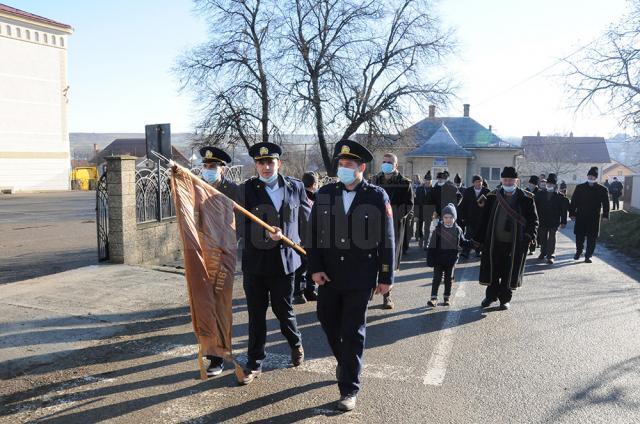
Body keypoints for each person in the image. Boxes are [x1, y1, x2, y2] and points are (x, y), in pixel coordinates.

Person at [308, 139, 395, 412]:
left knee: (353, 331)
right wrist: (314, 268)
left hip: (361, 275)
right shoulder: (326, 193)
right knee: (326, 319)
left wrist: (386, 275)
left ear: (362, 167)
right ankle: (345, 363)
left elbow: (387, 238)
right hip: (329, 275)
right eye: (341, 164)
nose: (343, 168)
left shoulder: (377, 195)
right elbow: (313, 234)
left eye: (349, 165)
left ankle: (349, 388)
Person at [238, 142, 312, 385]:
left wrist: (313, 252)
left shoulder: (295, 187)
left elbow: (305, 220)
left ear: (279, 163)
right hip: (256, 264)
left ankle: (296, 343)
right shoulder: (246, 190)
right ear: (256, 165)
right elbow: (240, 225)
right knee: (256, 315)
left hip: (285, 263)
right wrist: (263, 235)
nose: (266, 166)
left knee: (283, 310)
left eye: (270, 162)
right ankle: (254, 362)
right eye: (261, 163)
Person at [197, 146, 240, 377]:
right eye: (205, 166)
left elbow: (240, 222)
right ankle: (209, 351)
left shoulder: (232, 190)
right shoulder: (198, 187)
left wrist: (229, 244)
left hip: (223, 255)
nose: (208, 170)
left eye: (213, 167)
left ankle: (219, 356)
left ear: (222, 169)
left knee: (220, 305)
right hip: (202, 254)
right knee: (205, 304)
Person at [474, 167, 538, 310]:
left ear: (516, 181)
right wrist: (478, 239)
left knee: (510, 272)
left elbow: (534, 220)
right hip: (494, 242)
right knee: (493, 270)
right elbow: (483, 219)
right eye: (505, 180)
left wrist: (528, 236)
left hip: (516, 244)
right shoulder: (492, 196)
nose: (508, 182)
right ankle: (490, 297)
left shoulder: (527, 198)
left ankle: (505, 299)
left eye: (511, 180)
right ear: (501, 180)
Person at [370, 153, 413, 309]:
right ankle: (367, 292)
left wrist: (392, 217)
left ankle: (387, 296)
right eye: (384, 162)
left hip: (392, 226)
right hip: (373, 225)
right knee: (370, 258)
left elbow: (408, 205)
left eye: (389, 162)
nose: (386, 164)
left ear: (395, 165)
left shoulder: (404, 183)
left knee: (387, 260)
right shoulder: (375, 180)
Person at [425, 203, 472, 307]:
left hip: (451, 260)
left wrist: (472, 243)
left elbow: (462, 242)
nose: (448, 220)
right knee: (436, 278)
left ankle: (447, 297)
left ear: (454, 218)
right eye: (445, 217)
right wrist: (430, 258)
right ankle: (433, 298)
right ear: (442, 218)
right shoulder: (438, 230)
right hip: (438, 259)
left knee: (448, 279)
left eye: (451, 217)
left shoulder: (458, 230)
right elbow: (432, 246)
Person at [569, 167, 610, 263]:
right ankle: (578, 252)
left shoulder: (602, 189)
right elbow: (574, 201)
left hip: (594, 217)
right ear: (587, 176)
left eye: (593, 176)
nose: (591, 178)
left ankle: (588, 256)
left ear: (596, 178)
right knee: (579, 236)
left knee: (592, 237)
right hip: (581, 216)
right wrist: (572, 214)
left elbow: (606, 204)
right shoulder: (580, 187)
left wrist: (605, 215)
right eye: (589, 176)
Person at [293, 172, 319, 304]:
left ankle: (306, 291)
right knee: (304, 266)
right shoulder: (313, 198)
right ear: (314, 184)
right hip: (305, 238)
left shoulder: (313, 197)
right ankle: (300, 292)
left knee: (305, 266)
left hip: (303, 237)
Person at [534, 173, 568, 264]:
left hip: (554, 220)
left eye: (551, 184)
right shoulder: (540, 194)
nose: (549, 185)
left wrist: (563, 221)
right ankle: (543, 252)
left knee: (552, 238)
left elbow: (563, 211)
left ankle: (551, 256)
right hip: (542, 220)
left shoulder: (560, 196)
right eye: (548, 184)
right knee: (543, 237)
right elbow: (535, 207)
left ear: (555, 185)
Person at [459, 175, 490, 258]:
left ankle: (478, 251)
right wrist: (462, 216)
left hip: (482, 218)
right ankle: (465, 252)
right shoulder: (468, 191)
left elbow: (490, 205)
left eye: (480, 181)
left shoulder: (487, 191)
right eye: (476, 182)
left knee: (480, 235)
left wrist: (485, 206)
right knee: (468, 235)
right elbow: (463, 204)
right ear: (473, 183)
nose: (479, 183)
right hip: (470, 217)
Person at [414, 171, 434, 248]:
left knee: (427, 229)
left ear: (431, 181)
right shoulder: (419, 189)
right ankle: (421, 239)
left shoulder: (433, 190)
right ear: (424, 180)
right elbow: (416, 202)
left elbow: (435, 202)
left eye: (429, 180)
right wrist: (415, 215)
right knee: (419, 229)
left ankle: (426, 243)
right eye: (426, 180)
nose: (427, 182)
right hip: (420, 212)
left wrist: (434, 213)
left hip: (429, 213)